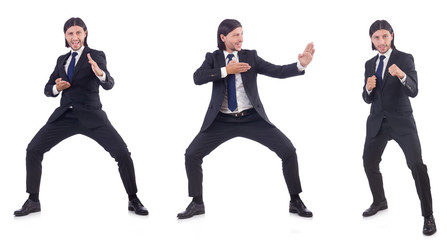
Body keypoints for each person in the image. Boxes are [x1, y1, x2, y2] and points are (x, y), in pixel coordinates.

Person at [177, 19, 315, 219]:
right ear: (223, 37)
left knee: (288, 151)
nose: (240, 38)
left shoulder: (250, 56)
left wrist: (300, 65)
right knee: (191, 154)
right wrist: (226, 71)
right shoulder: (213, 58)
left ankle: (295, 200)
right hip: (221, 120)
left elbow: (277, 71)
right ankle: (197, 203)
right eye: (235, 35)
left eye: (242, 33)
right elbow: (197, 77)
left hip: (252, 118)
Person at [13, 17, 148, 216]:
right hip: (66, 116)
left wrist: (99, 72)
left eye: (78, 32)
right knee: (33, 149)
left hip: (92, 116)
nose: (74, 37)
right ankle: (33, 200)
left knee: (122, 153)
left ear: (85, 33)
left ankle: (133, 199)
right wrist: (55, 88)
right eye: (70, 34)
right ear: (65, 37)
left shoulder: (96, 55)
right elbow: (47, 88)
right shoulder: (62, 60)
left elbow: (109, 83)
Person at [361, 20, 436, 235]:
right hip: (377, 122)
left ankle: (428, 215)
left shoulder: (404, 58)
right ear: (371, 40)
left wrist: (402, 76)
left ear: (392, 36)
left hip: (402, 122)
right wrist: (367, 88)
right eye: (376, 38)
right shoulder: (369, 64)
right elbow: (367, 98)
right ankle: (379, 201)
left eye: (385, 36)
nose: (381, 41)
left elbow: (414, 90)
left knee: (417, 166)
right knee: (369, 162)